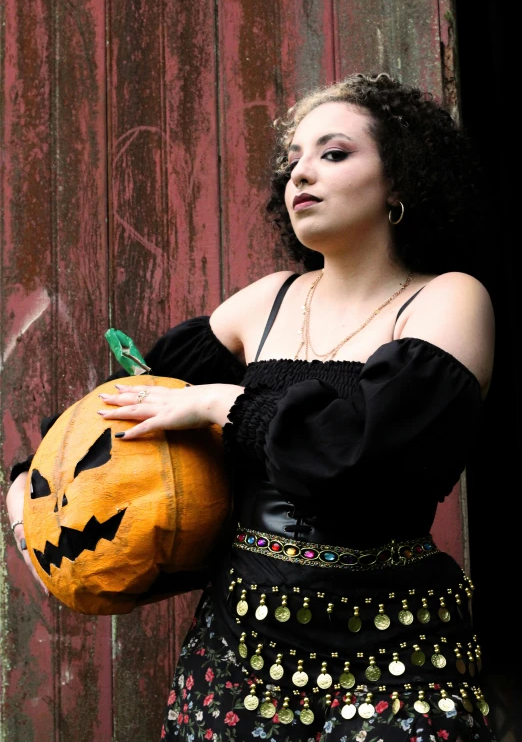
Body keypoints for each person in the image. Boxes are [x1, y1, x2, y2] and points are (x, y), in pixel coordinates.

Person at [7, 73, 496, 741]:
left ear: (402, 180)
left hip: (396, 655)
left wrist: (223, 404)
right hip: (237, 656)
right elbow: (123, 412)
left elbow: (366, 460)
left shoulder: (448, 299)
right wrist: (29, 489)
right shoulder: (263, 301)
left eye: (333, 153)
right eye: (291, 159)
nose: (300, 174)